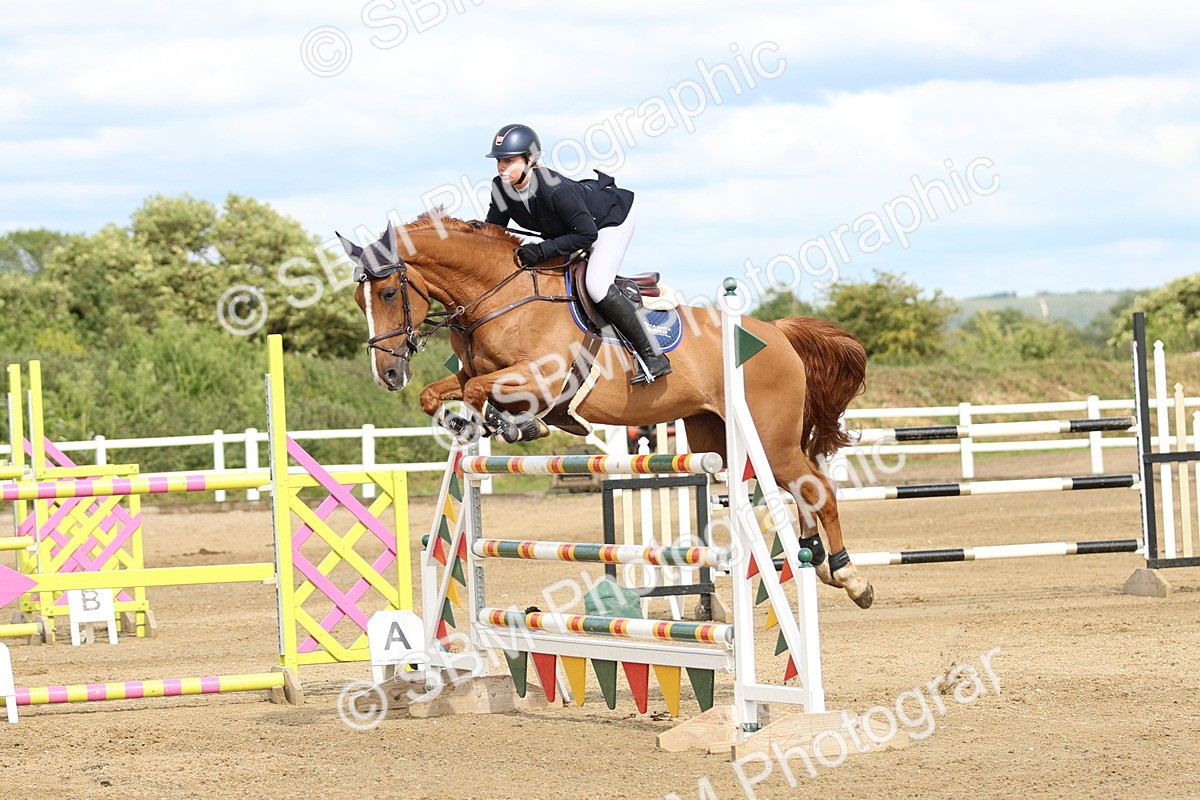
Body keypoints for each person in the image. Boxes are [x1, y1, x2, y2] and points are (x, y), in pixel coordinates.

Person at [483, 123, 671, 384]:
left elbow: (587, 235)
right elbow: (493, 231)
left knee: (596, 284)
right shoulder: (501, 187)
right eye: (499, 161)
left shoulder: (554, 188)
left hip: (608, 222)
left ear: (530, 159)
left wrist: (542, 250)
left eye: (509, 160)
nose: (502, 167)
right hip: (573, 229)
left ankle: (653, 356)